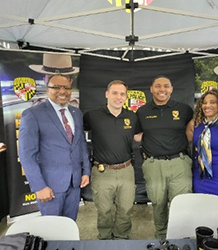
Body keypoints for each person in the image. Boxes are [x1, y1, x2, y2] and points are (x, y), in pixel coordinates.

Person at [19, 54, 89, 220]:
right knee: (51, 231)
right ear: (47, 87)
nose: (62, 92)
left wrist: (85, 171)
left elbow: (80, 145)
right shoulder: (32, 114)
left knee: (69, 225)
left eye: (66, 87)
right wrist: (39, 186)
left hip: (74, 183)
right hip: (49, 186)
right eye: (56, 87)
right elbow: (27, 155)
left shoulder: (76, 112)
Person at [135, 76, 194, 239]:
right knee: (158, 204)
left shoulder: (184, 109)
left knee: (181, 204)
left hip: (180, 163)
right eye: (158, 86)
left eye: (166, 86)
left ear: (172, 89)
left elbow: (193, 132)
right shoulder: (142, 111)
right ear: (151, 89)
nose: (162, 89)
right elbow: (136, 134)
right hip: (154, 165)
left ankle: (181, 238)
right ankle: (161, 238)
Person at [83, 80, 137, 239]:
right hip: (102, 171)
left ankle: (121, 238)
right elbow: (76, 136)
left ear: (126, 97)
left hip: (126, 170)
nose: (118, 97)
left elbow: (140, 136)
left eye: (122, 94)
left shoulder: (132, 117)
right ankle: (105, 239)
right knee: (104, 211)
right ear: (107, 94)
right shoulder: (92, 116)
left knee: (126, 209)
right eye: (115, 93)